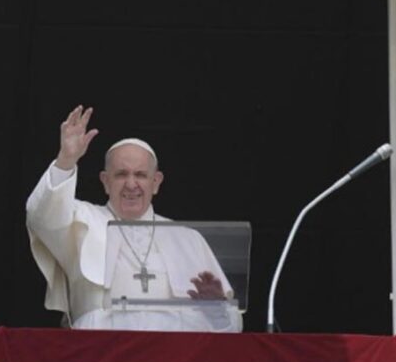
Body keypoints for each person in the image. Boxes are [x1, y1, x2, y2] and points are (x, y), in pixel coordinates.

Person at [26, 105, 239, 331]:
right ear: (105, 181)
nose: (131, 184)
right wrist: (66, 160)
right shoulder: (81, 218)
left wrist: (218, 309)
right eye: (121, 175)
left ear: (156, 182)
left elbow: (232, 326)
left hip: (173, 359)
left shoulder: (188, 238)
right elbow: (42, 215)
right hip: (100, 353)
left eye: (140, 175)